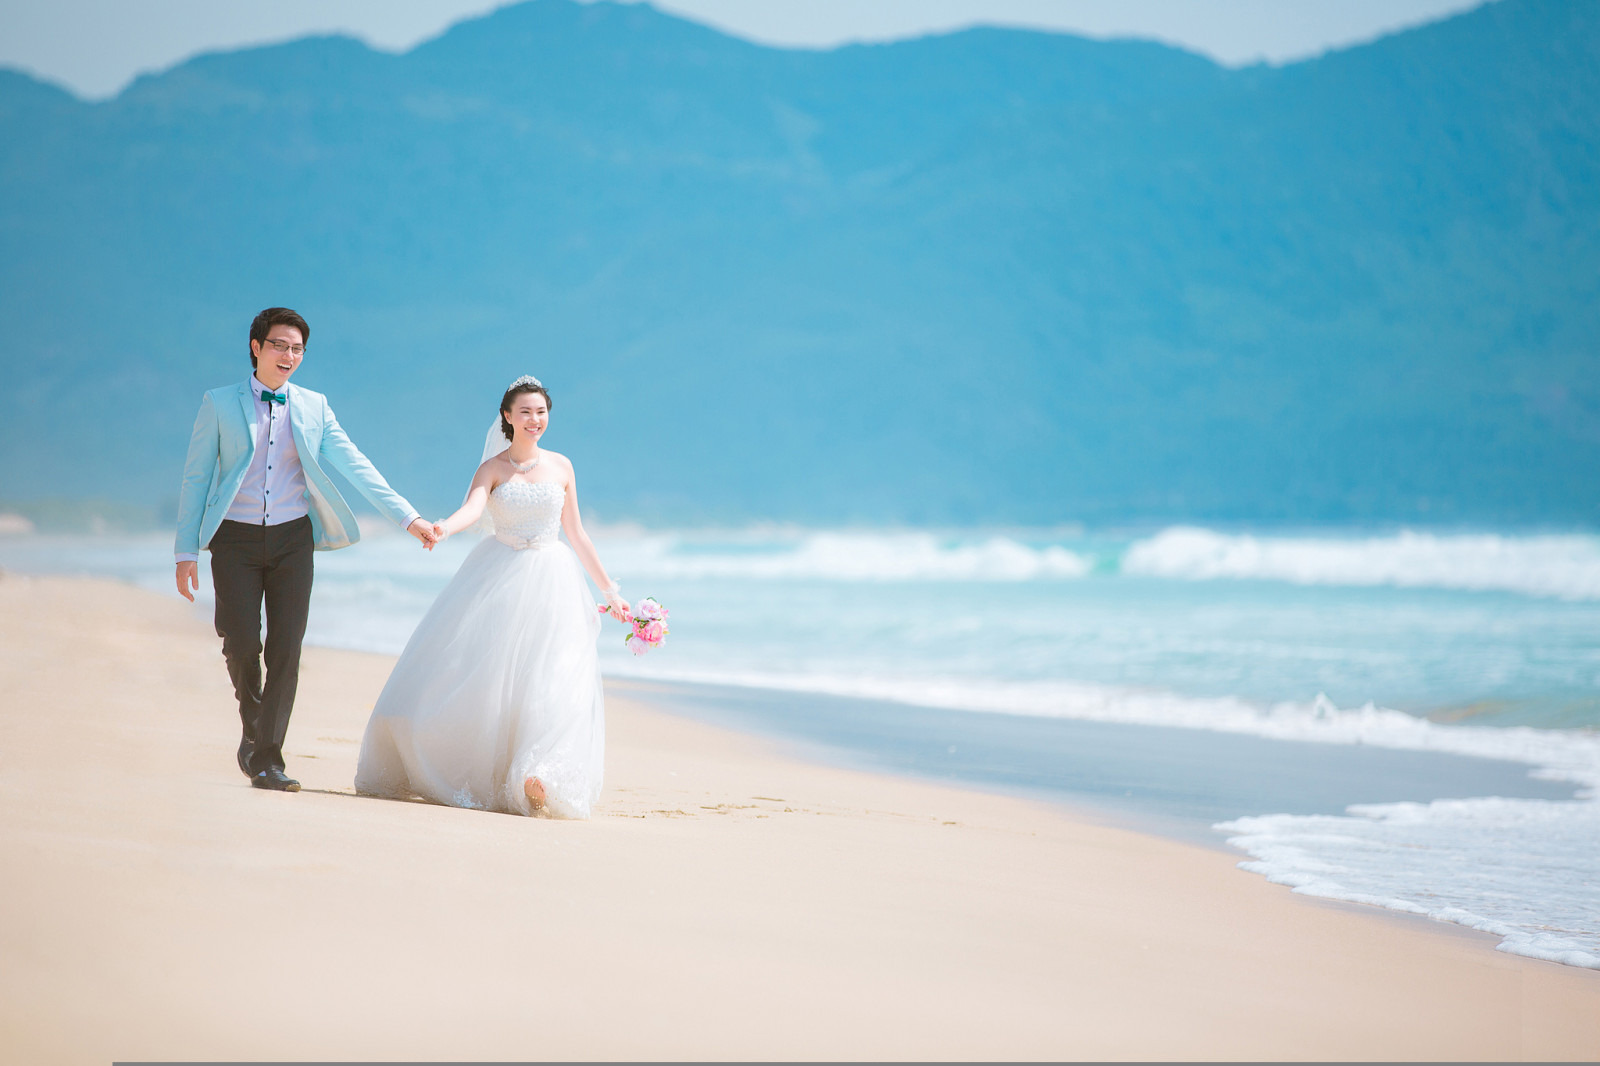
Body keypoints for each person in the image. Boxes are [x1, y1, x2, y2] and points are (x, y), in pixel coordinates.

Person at [174, 307, 438, 792]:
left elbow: (355, 463)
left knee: (286, 648)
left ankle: (268, 759)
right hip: (233, 537)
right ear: (256, 348)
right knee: (240, 642)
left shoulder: (314, 406)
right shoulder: (218, 403)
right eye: (279, 345)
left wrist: (408, 517)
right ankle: (255, 731)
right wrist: (185, 551)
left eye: (297, 348)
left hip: (294, 539)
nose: (288, 355)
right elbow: (196, 478)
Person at [354, 375, 628, 818]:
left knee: (555, 677)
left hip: (554, 579)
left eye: (541, 412)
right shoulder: (494, 469)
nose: (534, 420)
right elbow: (473, 509)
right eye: (525, 411)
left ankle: (539, 773)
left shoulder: (562, 466)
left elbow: (577, 534)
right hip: (500, 578)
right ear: (507, 416)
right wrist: (442, 527)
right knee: (487, 679)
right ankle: (488, 768)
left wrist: (610, 590)